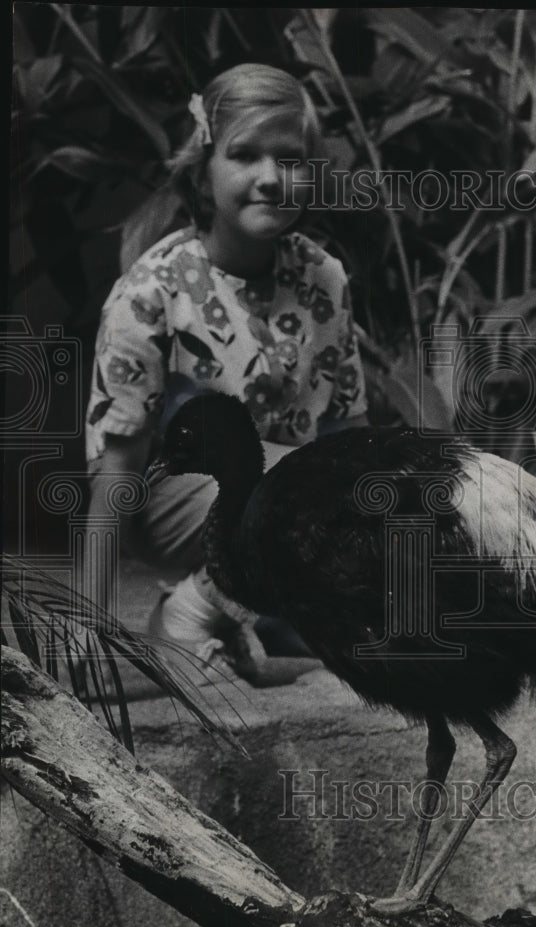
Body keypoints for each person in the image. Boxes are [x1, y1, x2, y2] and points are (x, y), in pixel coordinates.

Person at [84, 63, 369, 677]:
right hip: (175, 495)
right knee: (299, 491)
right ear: (203, 173)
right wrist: (89, 625)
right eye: (244, 154)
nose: (270, 178)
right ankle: (195, 607)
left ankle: (254, 635)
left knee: (377, 502)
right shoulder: (153, 292)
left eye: (290, 158)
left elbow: (350, 430)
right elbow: (120, 466)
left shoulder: (324, 278)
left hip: (285, 496)